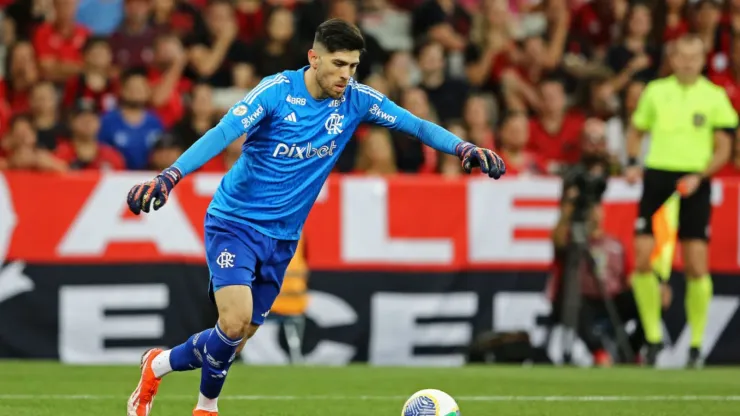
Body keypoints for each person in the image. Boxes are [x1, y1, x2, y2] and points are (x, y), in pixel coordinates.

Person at [124, 18, 505, 416]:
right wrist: (171, 176)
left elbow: (415, 125)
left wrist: (462, 147)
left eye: (353, 66)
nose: (346, 75)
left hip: (284, 237)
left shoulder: (357, 100)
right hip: (234, 222)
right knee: (234, 322)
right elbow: (222, 133)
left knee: (238, 336)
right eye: (338, 64)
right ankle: (206, 408)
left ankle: (157, 364)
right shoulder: (275, 92)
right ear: (314, 58)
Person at [625, 34, 738, 367]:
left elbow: (724, 149)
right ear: (672, 59)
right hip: (657, 177)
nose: (688, 61)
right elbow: (636, 130)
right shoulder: (656, 92)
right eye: (682, 56)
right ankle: (653, 339)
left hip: (694, 181)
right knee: (642, 259)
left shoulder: (715, 97)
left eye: (694, 56)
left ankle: (696, 346)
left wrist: (700, 176)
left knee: (696, 263)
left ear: (703, 59)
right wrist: (632, 163)